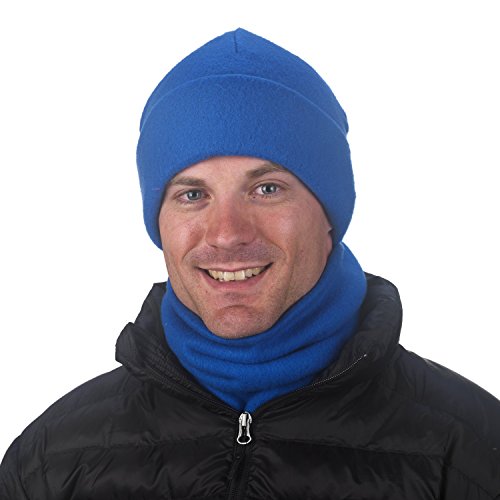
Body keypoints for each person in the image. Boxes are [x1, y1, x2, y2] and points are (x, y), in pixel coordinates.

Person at [1, 28, 499, 500]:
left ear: (330, 214)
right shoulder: (50, 463)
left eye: (267, 189)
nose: (227, 233)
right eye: (192, 194)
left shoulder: (470, 455)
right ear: (159, 223)